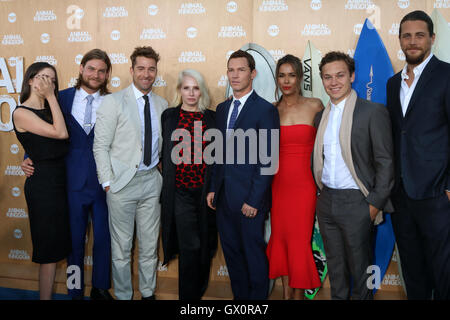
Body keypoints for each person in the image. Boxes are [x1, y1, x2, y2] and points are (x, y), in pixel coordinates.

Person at [21, 49, 114, 300]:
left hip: (106, 183)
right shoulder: (58, 98)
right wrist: (28, 157)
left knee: (104, 238)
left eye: (101, 71)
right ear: (81, 69)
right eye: (91, 68)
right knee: (73, 243)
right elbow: (38, 131)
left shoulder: (114, 102)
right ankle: (75, 290)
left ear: (107, 75)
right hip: (69, 182)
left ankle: (101, 288)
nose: (96, 74)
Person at [312, 51, 394, 300]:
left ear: (352, 76)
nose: (333, 82)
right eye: (327, 77)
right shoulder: (319, 117)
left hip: (358, 202)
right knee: (336, 271)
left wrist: (372, 205)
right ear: (322, 80)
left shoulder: (372, 112)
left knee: (360, 272)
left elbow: (386, 162)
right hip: (327, 201)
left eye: (339, 75)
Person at [93, 46, 168, 300]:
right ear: (131, 70)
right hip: (121, 185)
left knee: (149, 247)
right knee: (121, 248)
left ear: (156, 71)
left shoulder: (162, 104)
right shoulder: (113, 102)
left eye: (151, 69)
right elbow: (100, 145)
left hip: (151, 184)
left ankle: (148, 294)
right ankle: (124, 295)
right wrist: (107, 183)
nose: (146, 74)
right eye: (141, 68)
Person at [386, 10, 450, 300]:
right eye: (407, 35)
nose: (413, 42)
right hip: (401, 195)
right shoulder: (391, 83)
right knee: (413, 271)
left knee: (445, 270)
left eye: (419, 35)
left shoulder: (447, 75)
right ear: (400, 40)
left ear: (432, 39)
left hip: (437, 194)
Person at [206, 50, 280, 300]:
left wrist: (254, 200)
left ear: (253, 73)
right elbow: (218, 152)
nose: (235, 75)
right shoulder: (223, 107)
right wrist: (214, 188)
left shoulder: (265, 110)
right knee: (233, 255)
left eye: (241, 70)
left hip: (250, 201)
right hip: (224, 198)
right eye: (231, 70)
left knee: (253, 256)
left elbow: (268, 160)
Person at [266, 54, 323, 300]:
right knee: (280, 241)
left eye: (291, 75)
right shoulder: (270, 111)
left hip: (305, 186)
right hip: (278, 185)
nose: (286, 81)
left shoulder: (316, 105)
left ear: (300, 77)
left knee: (299, 243)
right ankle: (286, 296)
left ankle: (297, 298)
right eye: (281, 75)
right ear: (276, 79)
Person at [12, 62, 71, 300]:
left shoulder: (51, 110)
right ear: (30, 80)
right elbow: (60, 133)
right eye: (43, 77)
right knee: (47, 250)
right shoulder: (21, 112)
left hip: (60, 182)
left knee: (57, 249)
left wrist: (50, 99)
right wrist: (51, 97)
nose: (48, 83)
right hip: (42, 185)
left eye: (53, 80)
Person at [160, 69, 217, 300]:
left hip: (206, 194)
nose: (191, 93)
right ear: (179, 91)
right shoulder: (169, 117)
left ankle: (197, 294)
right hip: (180, 194)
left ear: (201, 91)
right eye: (186, 88)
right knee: (189, 248)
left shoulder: (212, 118)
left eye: (196, 88)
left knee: (205, 249)